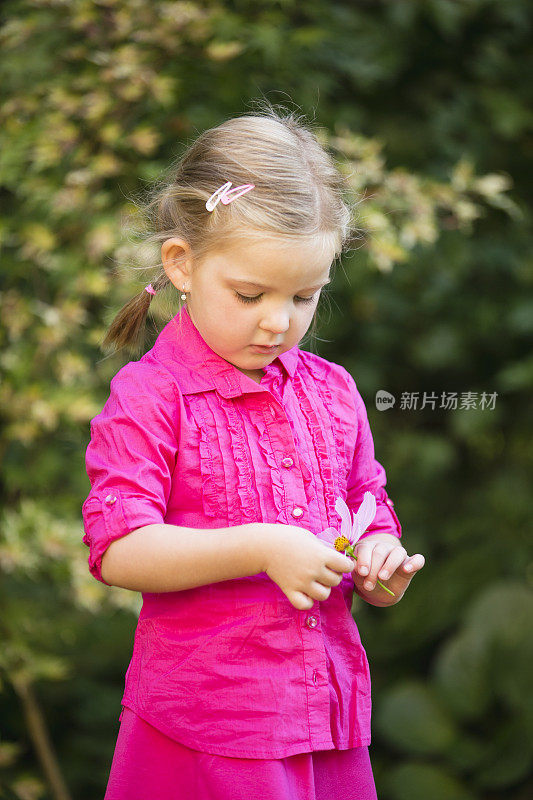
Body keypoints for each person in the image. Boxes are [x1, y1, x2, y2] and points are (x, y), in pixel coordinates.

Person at [82, 107, 426, 800]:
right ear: (181, 265)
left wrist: (378, 557)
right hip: (210, 734)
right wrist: (260, 546)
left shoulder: (332, 392)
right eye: (250, 294)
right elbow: (117, 549)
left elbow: (363, 506)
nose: (278, 321)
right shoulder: (152, 397)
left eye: (305, 297)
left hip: (323, 723)